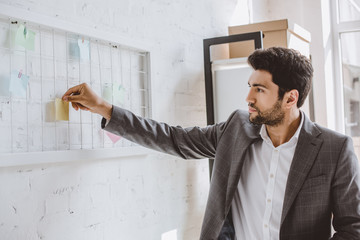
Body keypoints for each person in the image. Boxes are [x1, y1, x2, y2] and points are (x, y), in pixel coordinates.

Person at [62, 47, 360, 240]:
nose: (249, 98)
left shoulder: (335, 149)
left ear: (290, 97)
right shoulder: (236, 130)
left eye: (260, 89)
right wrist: (104, 107)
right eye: (249, 87)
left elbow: (352, 227)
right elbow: (173, 138)